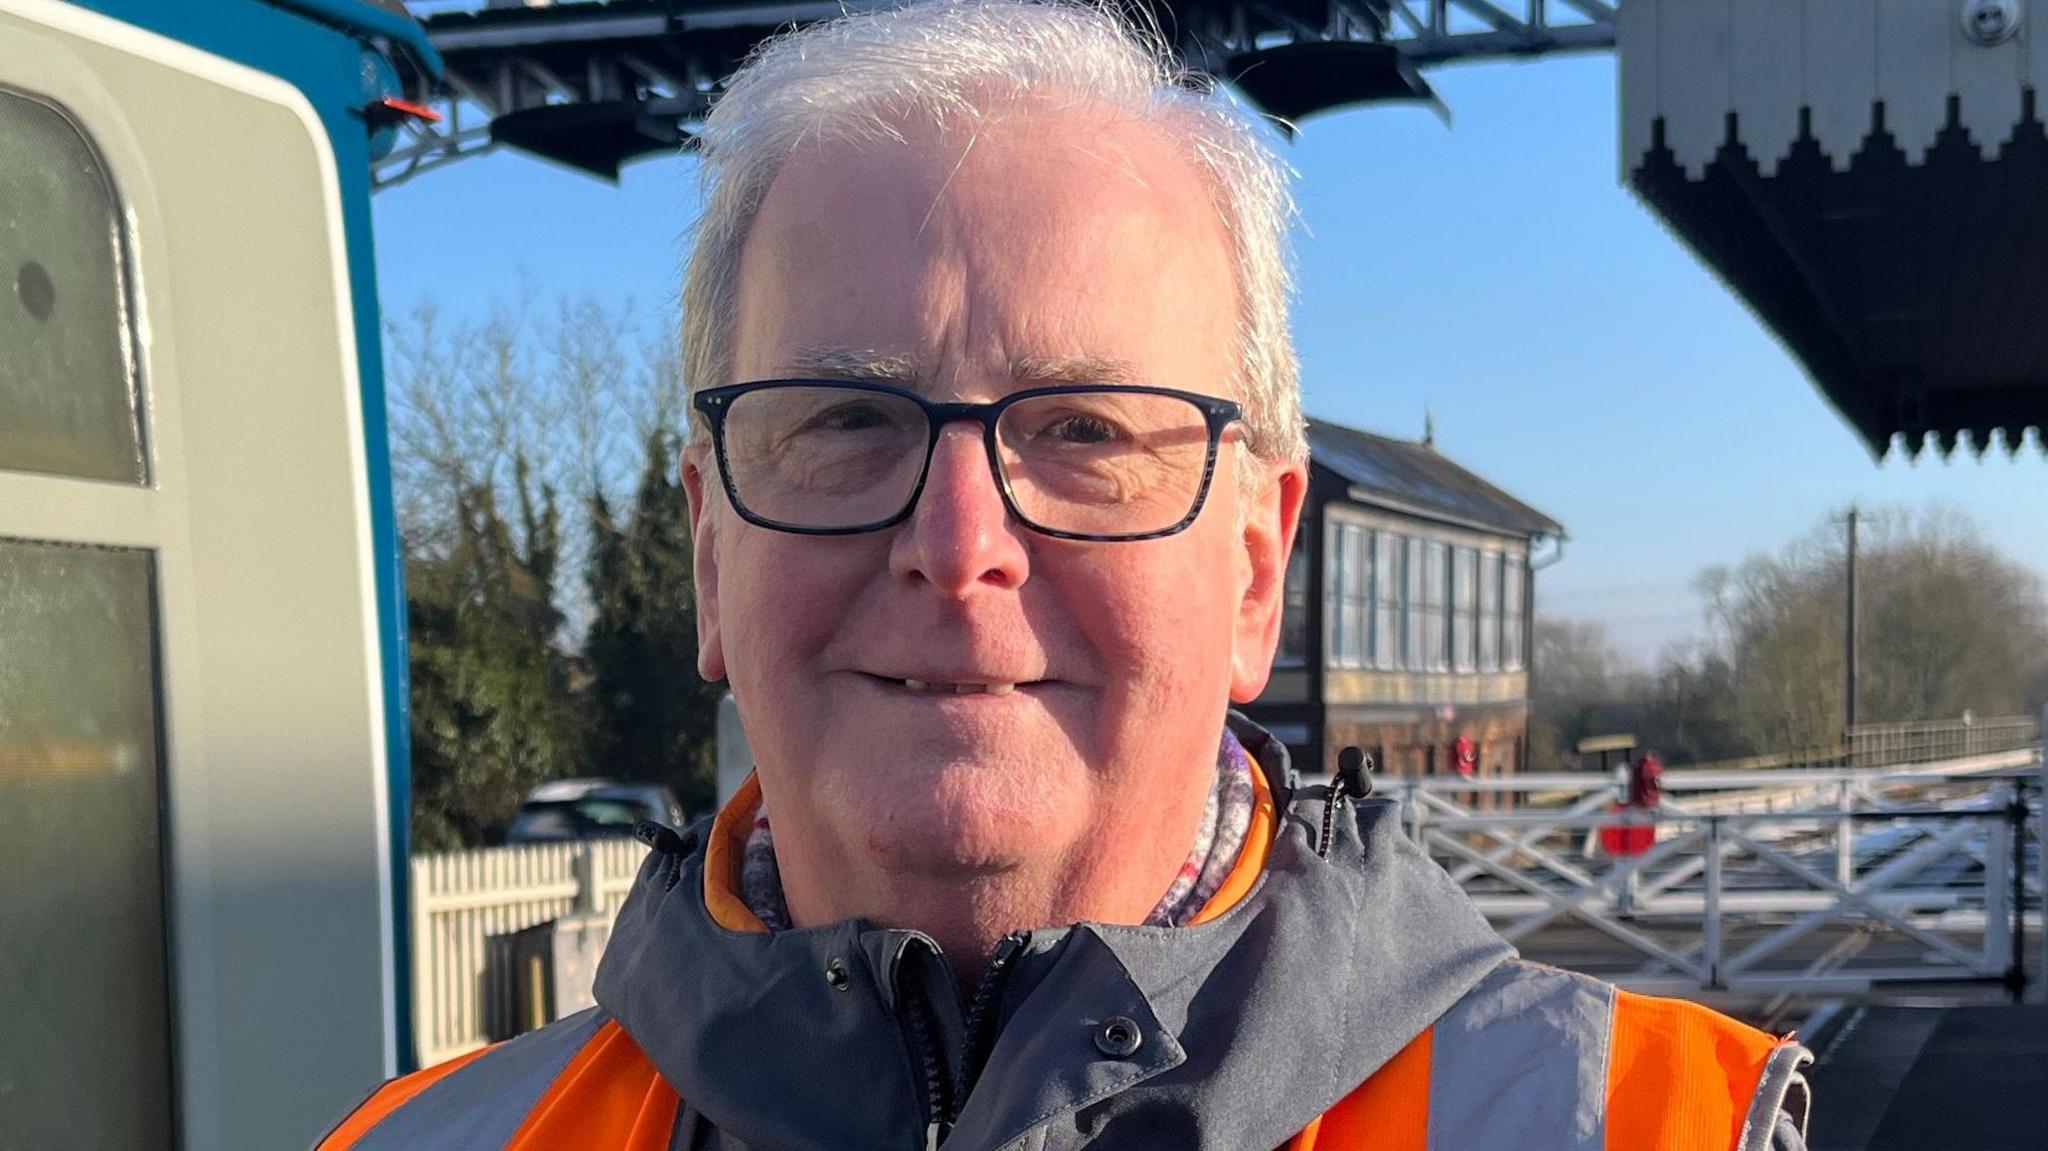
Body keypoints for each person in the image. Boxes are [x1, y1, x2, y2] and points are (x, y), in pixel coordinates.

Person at [320, 2, 1811, 1147]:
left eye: (1087, 430)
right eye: (845, 420)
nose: (959, 545)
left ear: (1252, 566)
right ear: (711, 550)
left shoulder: (1660, 1125)